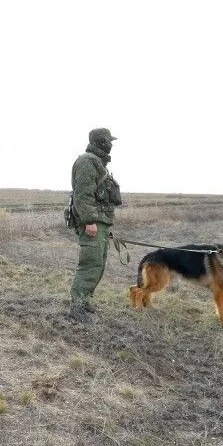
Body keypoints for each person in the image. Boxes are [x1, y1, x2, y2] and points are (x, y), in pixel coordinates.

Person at [69, 127, 121, 322]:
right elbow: (83, 196)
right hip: (92, 223)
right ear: (101, 142)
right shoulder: (87, 161)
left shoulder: (97, 162)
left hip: (100, 223)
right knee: (90, 265)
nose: (111, 145)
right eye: (109, 141)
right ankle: (77, 306)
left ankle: (85, 301)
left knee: (98, 265)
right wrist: (90, 221)